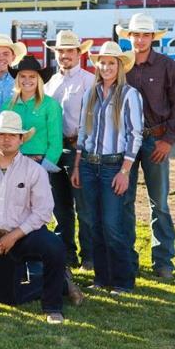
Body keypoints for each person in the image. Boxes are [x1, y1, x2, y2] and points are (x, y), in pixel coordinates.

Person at [0, 111, 82, 325]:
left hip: (26, 235)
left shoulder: (34, 171)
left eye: (12, 135)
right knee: (5, 300)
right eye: (1, 134)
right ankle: (61, 284)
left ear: (22, 139)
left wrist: (13, 236)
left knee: (54, 246)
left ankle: (53, 307)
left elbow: (43, 211)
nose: (6, 139)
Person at [71, 41, 143, 295]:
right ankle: (102, 278)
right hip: (89, 165)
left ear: (119, 66)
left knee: (113, 225)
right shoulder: (91, 93)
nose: (106, 66)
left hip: (114, 166)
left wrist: (125, 171)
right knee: (93, 224)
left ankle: (123, 280)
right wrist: (78, 166)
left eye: (111, 62)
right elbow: (82, 132)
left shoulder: (129, 94)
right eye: (103, 62)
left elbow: (135, 135)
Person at [118, 13, 175, 279]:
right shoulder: (122, 66)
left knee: (158, 202)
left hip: (157, 140)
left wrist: (168, 140)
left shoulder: (167, 66)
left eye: (145, 34)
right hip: (126, 143)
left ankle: (163, 260)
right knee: (125, 201)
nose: (140, 39)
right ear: (130, 37)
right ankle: (128, 259)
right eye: (136, 34)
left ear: (152, 38)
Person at [4, 56, 69, 265]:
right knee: (15, 213)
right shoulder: (9, 105)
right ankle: (17, 257)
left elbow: (56, 142)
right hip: (14, 164)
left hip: (40, 165)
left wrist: (43, 170)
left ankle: (40, 260)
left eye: (32, 76)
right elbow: (3, 137)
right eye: (22, 76)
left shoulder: (50, 105)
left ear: (39, 79)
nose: (27, 80)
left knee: (37, 213)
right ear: (17, 79)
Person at [44, 31, 96, 269]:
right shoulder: (49, 84)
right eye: (61, 51)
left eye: (69, 51)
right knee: (60, 207)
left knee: (84, 206)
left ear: (79, 53)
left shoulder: (89, 81)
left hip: (80, 149)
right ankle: (66, 254)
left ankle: (90, 255)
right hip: (55, 149)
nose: (65, 55)